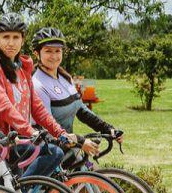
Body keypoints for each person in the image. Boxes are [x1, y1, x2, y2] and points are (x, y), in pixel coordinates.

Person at [0, 13, 81, 177]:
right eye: (6, 37)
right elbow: (3, 106)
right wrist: (31, 131)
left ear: (23, 39)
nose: (11, 43)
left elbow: (37, 107)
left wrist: (60, 133)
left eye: (16, 37)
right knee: (54, 153)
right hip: (1, 140)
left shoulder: (22, 67)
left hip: (20, 138)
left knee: (54, 153)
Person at [30, 27, 122, 162]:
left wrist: (108, 129)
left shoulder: (65, 78)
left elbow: (81, 110)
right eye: (48, 51)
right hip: (49, 152)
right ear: (37, 54)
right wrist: (79, 141)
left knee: (92, 178)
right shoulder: (37, 84)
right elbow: (47, 128)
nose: (54, 56)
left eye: (58, 51)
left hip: (69, 147)